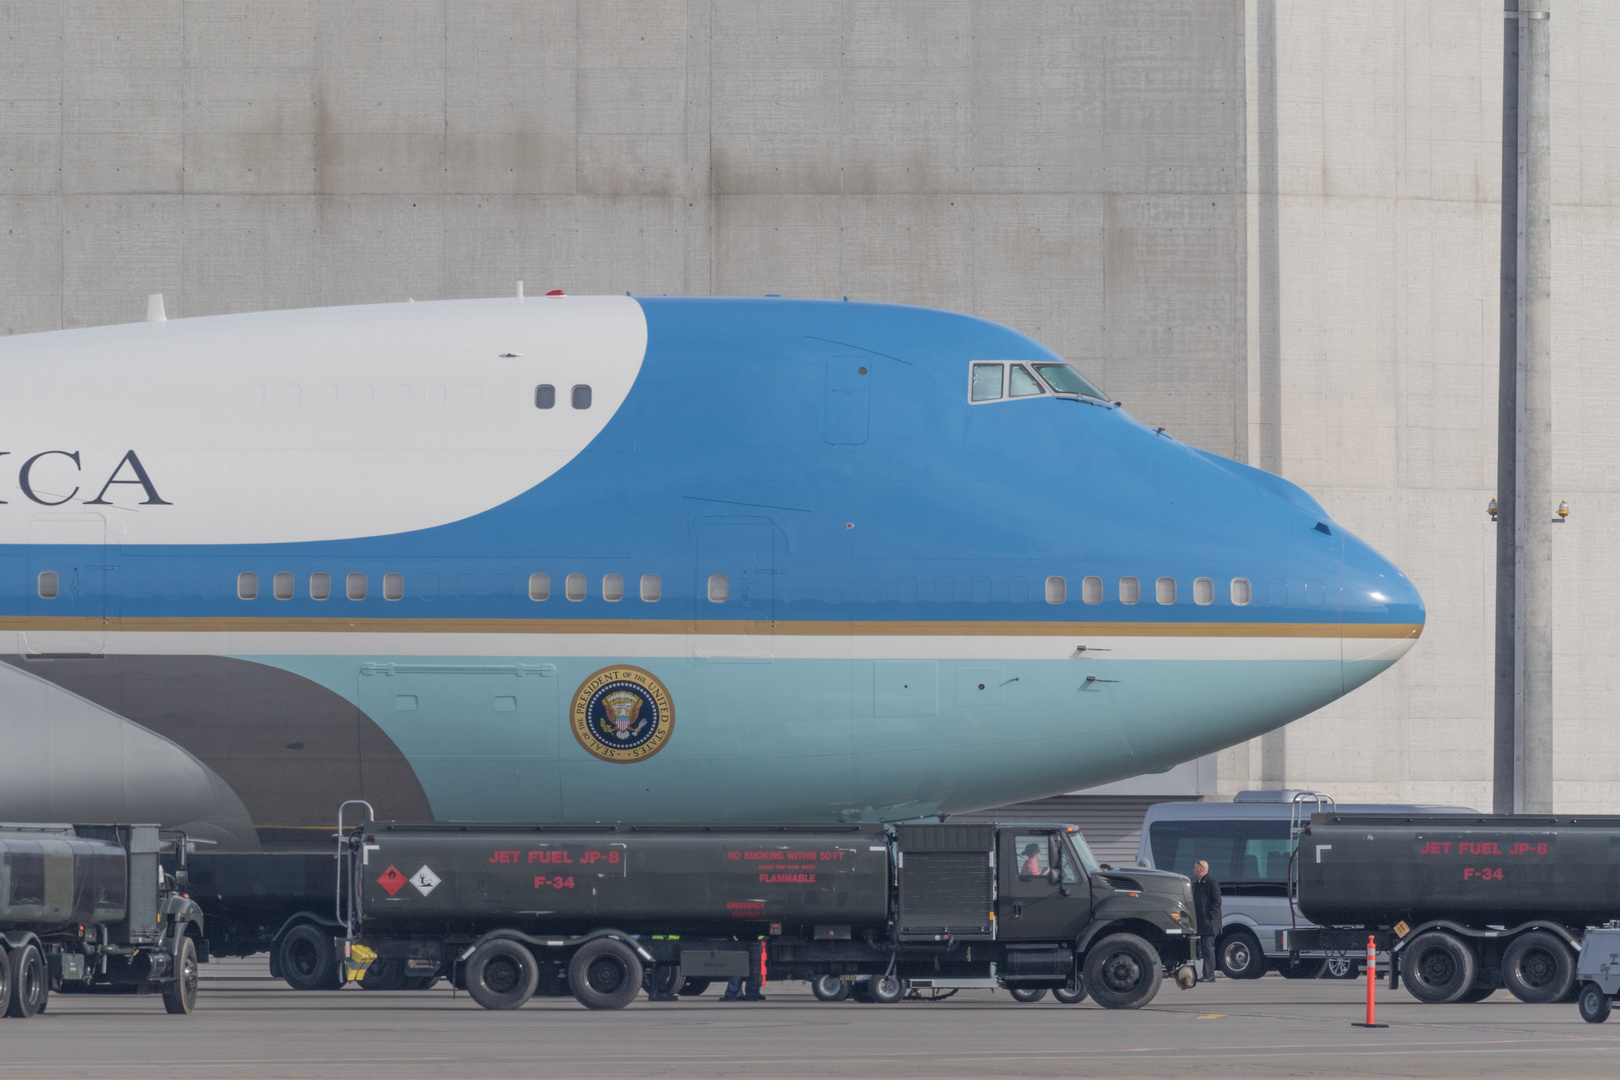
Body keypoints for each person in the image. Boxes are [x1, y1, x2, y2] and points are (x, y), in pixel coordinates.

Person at [1191, 859, 1222, 982]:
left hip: (1210, 924)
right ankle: (1206, 974)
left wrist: (1209, 916)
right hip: (1202, 923)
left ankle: (1209, 975)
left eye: (1195, 868)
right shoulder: (1197, 884)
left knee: (1209, 950)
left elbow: (1217, 902)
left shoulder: (1211, 883)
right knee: (1204, 949)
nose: (1193, 870)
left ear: (1202, 869)